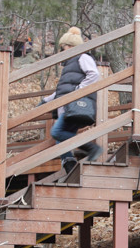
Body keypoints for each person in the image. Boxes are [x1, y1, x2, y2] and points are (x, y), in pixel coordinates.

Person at [42, 27, 102, 174]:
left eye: (65, 47)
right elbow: (63, 90)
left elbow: (94, 75)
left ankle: (91, 148)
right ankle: (70, 166)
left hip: (77, 105)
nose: (64, 51)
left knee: (57, 132)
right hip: (68, 106)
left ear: (73, 47)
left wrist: (78, 90)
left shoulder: (83, 58)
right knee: (62, 137)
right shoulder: (69, 65)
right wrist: (46, 101)